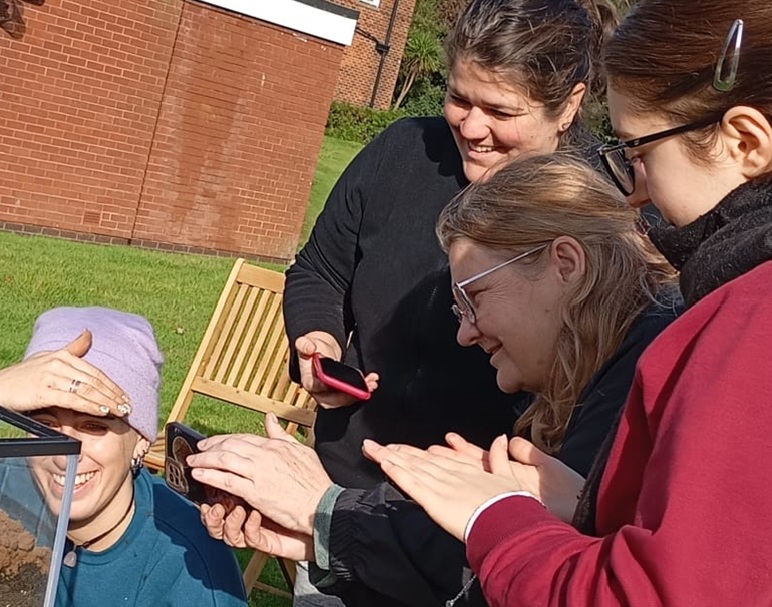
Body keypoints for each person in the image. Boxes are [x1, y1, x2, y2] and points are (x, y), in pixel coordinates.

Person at [362, 2, 772, 605]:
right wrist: (591, 505)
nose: (636, 186)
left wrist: (494, 519)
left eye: (639, 151)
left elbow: (654, 596)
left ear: (744, 140)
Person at [188, 154, 680, 606]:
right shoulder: (608, 363)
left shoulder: (647, 378)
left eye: (475, 297)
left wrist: (326, 511)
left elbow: (545, 573)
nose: (465, 332)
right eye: (458, 307)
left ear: (565, 265)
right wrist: (317, 535)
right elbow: (484, 558)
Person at [281, 0, 618, 603]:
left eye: (500, 110)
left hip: (475, 530)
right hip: (344, 482)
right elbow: (320, 269)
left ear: (568, 104)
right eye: (460, 99)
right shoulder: (401, 151)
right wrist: (318, 338)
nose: (471, 127)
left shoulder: (596, 212)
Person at [0, 307, 248, 606]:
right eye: (43, 424)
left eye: (94, 425)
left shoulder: (188, 562)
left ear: (140, 440)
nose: (64, 455)